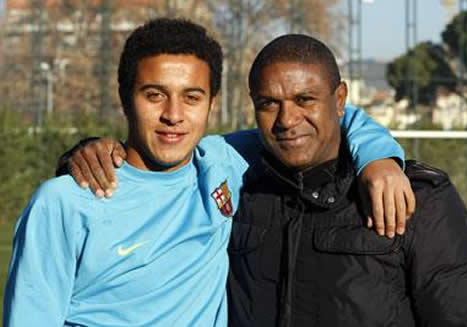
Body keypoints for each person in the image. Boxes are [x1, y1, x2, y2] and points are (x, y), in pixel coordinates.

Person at [5, 19, 412, 326]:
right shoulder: (64, 202)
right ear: (125, 99)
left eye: (192, 97)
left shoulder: (223, 161)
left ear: (212, 103)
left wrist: (379, 159)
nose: (173, 115)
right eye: (154, 95)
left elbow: (322, 118)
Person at [225, 34, 467, 326]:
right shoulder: (234, 193)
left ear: (339, 100)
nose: (287, 119)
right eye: (269, 103)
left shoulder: (419, 198)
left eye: (305, 99)